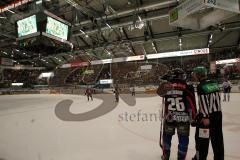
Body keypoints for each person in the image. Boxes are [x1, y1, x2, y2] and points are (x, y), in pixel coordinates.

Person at [157, 68, 197, 160]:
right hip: (183, 118)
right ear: (179, 76)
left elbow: (159, 93)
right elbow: (191, 103)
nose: (183, 77)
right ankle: (181, 158)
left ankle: (165, 156)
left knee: (166, 138)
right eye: (182, 75)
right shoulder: (187, 86)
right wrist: (193, 117)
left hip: (169, 117)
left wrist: (166, 82)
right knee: (183, 139)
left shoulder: (167, 85)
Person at [192, 66, 224, 160]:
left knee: (202, 141)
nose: (193, 75)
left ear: (198, 75)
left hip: (207, 118)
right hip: (218, 115)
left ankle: (199, 158)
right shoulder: (214, 82)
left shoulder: (201, 85)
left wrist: (205, 117)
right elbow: (215, 99)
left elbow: (203, 102)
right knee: (217, 140)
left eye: (194, 74)